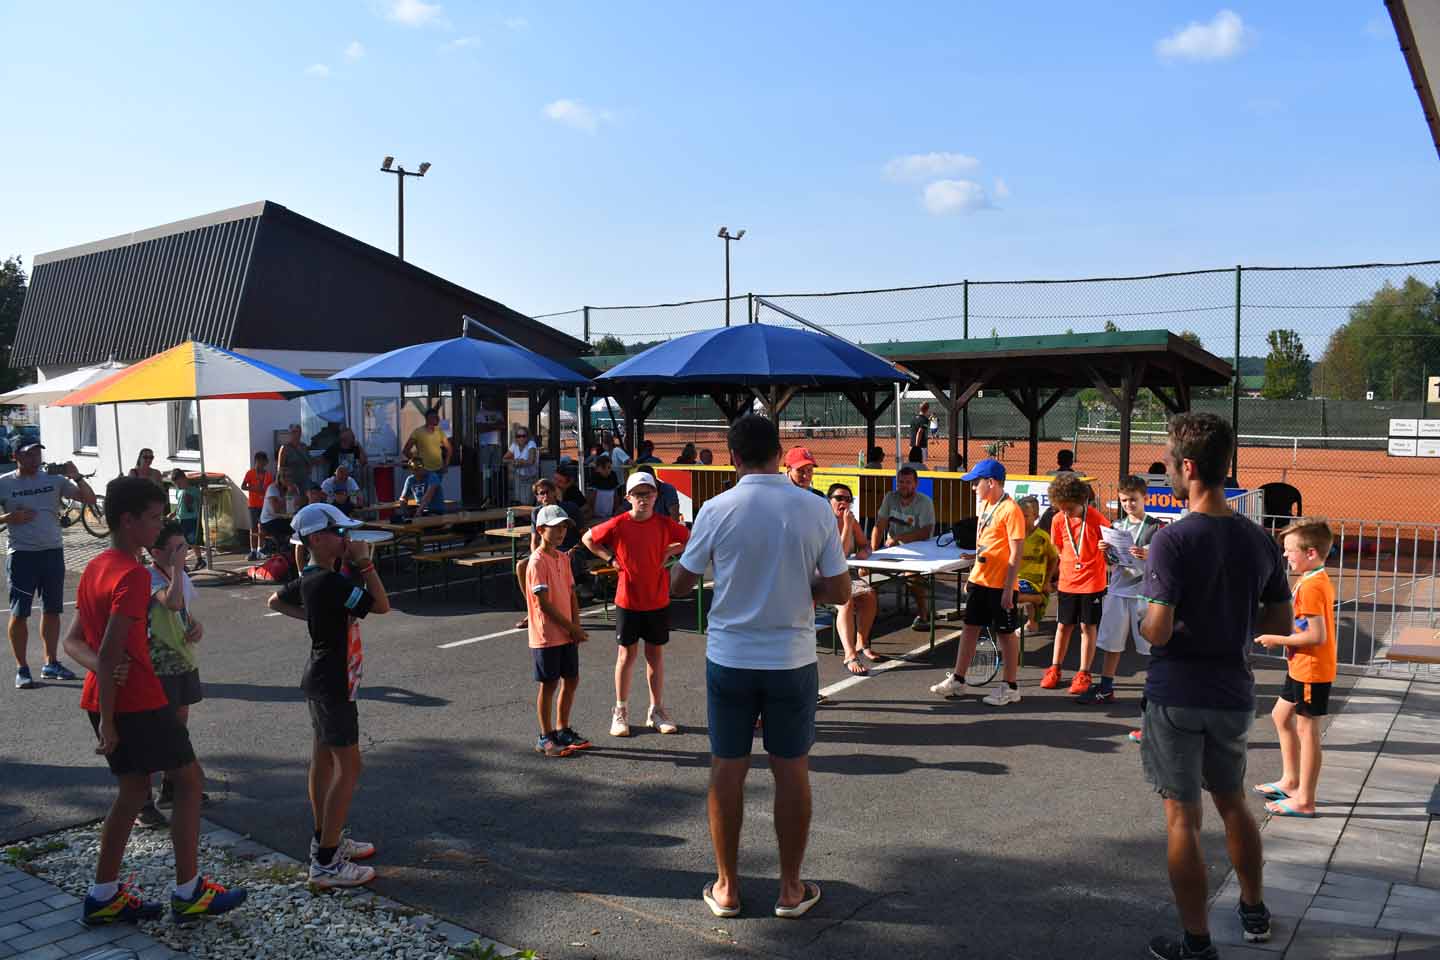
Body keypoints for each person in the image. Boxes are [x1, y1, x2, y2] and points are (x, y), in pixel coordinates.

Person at [670, 414, 849, 920]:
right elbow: (841, 590)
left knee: (728, 767)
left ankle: (727, 887)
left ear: (732, 457)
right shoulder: (814, 507)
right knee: (791, 769)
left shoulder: (716, 508)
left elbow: (680, 585)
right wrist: (802, 587)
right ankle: (790, 888)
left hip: (731, 657)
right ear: (778, 453)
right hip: (791, 659)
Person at [1137, 412, 1290, 959]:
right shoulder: (1260, 540)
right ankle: (1254, 909)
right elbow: (1278, 622)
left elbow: (1157, 630)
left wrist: (1146, 619)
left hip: (1177, 691)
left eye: (1169, 463)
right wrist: (1232, 621)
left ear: (1189, 468)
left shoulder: (1171, 540)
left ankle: (1197, 943)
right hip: (1233, 691)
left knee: (1182, 817)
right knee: (1233, 804)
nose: (1168, 471)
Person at [63, 476, 246, 924]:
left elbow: (75, 644)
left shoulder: (96, 566)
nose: (160, 525)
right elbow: (108, 652)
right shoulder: (130, 575)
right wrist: (110, 720)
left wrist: (103, 680)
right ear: (128, 521)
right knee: (189, 781)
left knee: (133, 791)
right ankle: (189, 891)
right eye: (153, 517)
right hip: (136, 703)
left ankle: (103, 895)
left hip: (104, 700)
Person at [267, 502, 391, 889]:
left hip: (322, 679)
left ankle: (326, 838)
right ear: (318, 539)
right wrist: (365, 564)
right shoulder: (332, 583)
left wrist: (316, 618)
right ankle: (326, 863)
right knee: (349, 768)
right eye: (339, 533)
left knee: (323, 761)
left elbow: (275, 601)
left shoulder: (313, 577)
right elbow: (382, 605)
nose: (346, 539)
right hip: (332, 682)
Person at [584, 472, 690, 738]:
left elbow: (689, 537)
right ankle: (620, 711)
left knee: (655, 656)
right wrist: (610, 559)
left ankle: (656, 710)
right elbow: (588, 539)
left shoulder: (664, 524)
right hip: (628, 600)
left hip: (657, 600)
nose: (644, 499)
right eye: (638, 494)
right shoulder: (619, 523)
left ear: (656, 495)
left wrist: (670, 550)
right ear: (628, 497)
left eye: (649, 493)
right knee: (626, 656)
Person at [1253, 519, 1337, 819]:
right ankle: (1290, 781)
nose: (1285, 555)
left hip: (1312, 669)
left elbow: (1316, 635)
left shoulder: (1312, 585)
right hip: (1300, 666)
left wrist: (1278, 639)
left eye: (1290, 550)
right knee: (1281, 715)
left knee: (1307, 730)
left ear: (1311, 553)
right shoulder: (1312, 578)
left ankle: (1305, 799)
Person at [930, 458, 1026, 705]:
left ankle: (1011, 687)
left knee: (1006, 634)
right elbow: (985, 542)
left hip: (1001, 585)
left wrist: (1008, 589)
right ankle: (958, 680)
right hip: (979, 580)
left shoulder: (1011, 510)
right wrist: (974, 568)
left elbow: (1016, 553)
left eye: (976, 482)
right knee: (970, 628)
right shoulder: (984, 505)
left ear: (991, 482)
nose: (973, 487)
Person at [2, 442, 95, 688]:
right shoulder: (5, 482)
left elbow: (89, 499)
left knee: (52, 610)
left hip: (52, 553)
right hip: (22, 555)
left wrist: (77, 477)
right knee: (19, 613)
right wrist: (8, 518)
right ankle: (22, 668)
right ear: (15, 456)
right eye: (28, 454)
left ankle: (51, 663)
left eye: (37, 453)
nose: (35, 458)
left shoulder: (54, 480)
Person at [143, 522, 211, 821]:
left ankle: (172, 786)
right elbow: (170, 602)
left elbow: (182, 609)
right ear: (156, 552)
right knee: (157, 730)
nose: (183, 552)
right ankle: (143, 799)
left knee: (179, 725)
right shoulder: (151, 576)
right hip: (160, 665)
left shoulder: (176, 575)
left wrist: (195, 624)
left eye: (184, 546)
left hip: (182, 660)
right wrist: (177, 566)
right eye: (176, 548)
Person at [517, 504, 591, 757]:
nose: (561, 532)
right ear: (540, 530)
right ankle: (545, 737)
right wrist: (571, 627)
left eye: (564, 527)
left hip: (567, 633)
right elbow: (543, 604)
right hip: (547, 635)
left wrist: (576, 626)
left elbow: (570, 594)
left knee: (571, 679)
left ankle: (562, 729)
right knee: (549, 684)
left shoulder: (563, 558)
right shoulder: (537, 561)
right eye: (555, 527)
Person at [1083, 474, 1162, 706]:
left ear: (1145, 498)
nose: (1129, 504)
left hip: (1144, 595)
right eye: (1124, 500)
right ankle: (1106, 687)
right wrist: (1105, 550)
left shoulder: (1156, 527)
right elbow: (1110, 563)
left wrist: (1149, 554)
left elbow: (1164, 561)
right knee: (1112, 644)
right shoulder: (1116, 526)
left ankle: (1155, 691)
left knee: (1150, 646)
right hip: (1118, 591)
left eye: (1133, 499)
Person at [1039, 472, 1110, 697]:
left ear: (1081, 500)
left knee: (1087, 627)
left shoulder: (1098, 520)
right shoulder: (1059, 519)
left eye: (1070, 508)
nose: (1066, 512)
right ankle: (1054, 668)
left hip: (1092, 583)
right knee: (1063, 626)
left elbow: (1110, 553)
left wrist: (1105, 552)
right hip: (1068, 582)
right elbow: (1059, 548)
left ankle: (1084, 672)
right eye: (1062, 508)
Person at [870, 465, 936, 631]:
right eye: (900, 482)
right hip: (893, 551)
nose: (903, 485)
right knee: (865, 571)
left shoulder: (924, 502)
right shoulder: (890, 498)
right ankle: (871, 612)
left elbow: (925, 532)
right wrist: (872, 551)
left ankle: (923, 614)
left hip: (919, 553)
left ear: (916, 484)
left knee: (911, 576)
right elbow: (879, 525)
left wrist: (899, 539)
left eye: (908, 482)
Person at [827, 482, 880, 674]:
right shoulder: (825, 522)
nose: (844, 502)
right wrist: (847, 525)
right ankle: (849, 655)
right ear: (829, 501)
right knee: (846, 601)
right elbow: (838, 555)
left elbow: (866, 545)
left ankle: (861, 643)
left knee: (869, 595)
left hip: (847, 572)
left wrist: (865, 552)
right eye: (839, 498)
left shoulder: (852, 521)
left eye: (848, 499)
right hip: (825, 574)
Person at [1014, 495, 1059, 634]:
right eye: (1018, 515)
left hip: (1034, 581)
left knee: (1010, 594)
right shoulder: (1014, 535)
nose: (1021, 519)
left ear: (1036, 516)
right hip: (1017, 578)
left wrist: (1047, 582)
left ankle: (1038, 598)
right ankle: (1032, 624)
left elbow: (1054, 558)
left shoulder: (1042, 537)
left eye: (1025, 516)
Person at [169, 470, 205, 571]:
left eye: (179, 483)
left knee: (192, 541)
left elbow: (201, 502)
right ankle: (183, 563)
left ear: (184, 479)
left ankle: (199, 559)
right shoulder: (178, 491)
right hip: (180, 519)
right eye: (175, 484)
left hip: (192, 518)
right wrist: (174, 513)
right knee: (180, 542)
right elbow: (179, 505)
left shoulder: (194, 490)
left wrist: (193, 503)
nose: (177, 486)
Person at [242, 452, 274, 561]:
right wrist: (254, 489)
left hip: (264, 505)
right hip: (253, 504)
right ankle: (253, 550)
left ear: (266, 463)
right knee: (253, 527)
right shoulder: (250, 473)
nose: (260, 464)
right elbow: (243, 486)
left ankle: (261, 550)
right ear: (255, 462)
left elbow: (271, 488)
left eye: (263, 462)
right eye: (258, 462)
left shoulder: (268, 475)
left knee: (262, 527)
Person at [403, 407, 452, 478]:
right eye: (435, 417)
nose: (438, 419)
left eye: (437, 417)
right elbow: (406, 451)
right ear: (428, 419)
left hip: (438, 470)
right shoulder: (417, 432)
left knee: (435, 485)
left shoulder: (440, 431)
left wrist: (446, 465)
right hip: (424, 471)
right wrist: (418, 466)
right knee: (429, 485)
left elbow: (449, 449)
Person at [258, 477, 297, 557]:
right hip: (269, 520)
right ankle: (277, 548)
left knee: (297, 525)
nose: (288, 479)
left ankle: (287, 549)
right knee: (293, 527)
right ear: (279, 478)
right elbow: (276, 509)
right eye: (285, 477)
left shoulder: (291, 488)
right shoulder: (273, 488)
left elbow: (293, 506)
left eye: (289, 477)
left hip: (279, 518)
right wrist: (288, 494)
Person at [504, 425, 539, 506]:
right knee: (518, 500)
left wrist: (520, 462)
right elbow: (504, 459)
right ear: (516, 437)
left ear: (527, 436)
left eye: (523, 436)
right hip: (518, 476)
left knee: (527, 502)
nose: (521, 438)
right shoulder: (514, 445)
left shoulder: (531, 444)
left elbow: (531, 460)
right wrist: (514, 461)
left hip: (530, 477)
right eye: (518, 436)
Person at [277, 424, 311, 494]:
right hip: (291, 482)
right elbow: (280, 468)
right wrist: (285, 484)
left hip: (304, 481)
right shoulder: (285, 448)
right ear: (290, 433)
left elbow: (308, 461)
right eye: (293, 432)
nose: (295, 434)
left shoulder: (304, 447)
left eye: (297, 432)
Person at [587, 454, 622, 521]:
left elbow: (616, 496)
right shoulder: (594, 478)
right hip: (596, 517)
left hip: (610, 515)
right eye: (604, 468)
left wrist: (616, 510)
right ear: (598, 468)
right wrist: (591, 514)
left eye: (609, 467)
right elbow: (591, 498)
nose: (607, 470)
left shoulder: (613, 476)